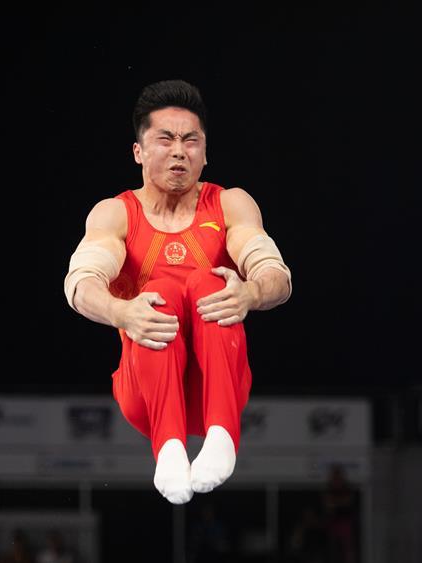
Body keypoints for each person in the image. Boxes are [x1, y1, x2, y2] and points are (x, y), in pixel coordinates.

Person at [64, 80, 291, 504]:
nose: (179, 151)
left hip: (217, 386)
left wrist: (251, 293)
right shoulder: (116, 214)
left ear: (205, 152)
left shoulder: (230, 205)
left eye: (191, 140)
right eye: (164, 139)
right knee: (161, 292)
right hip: (145, 394)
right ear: (138, 152)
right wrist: (122, 312)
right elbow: (81, 283)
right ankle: (167, 447)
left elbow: (275, 274)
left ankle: (223, 434)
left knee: (212, 283)